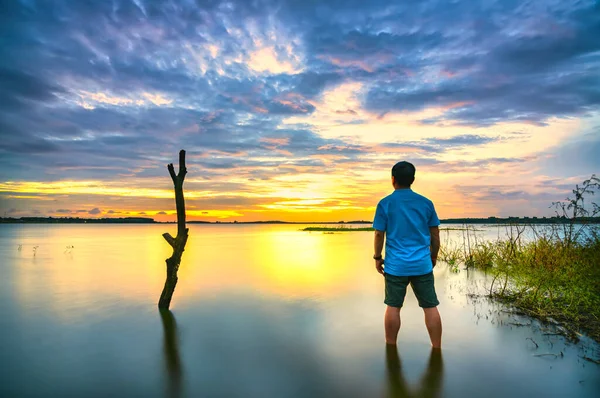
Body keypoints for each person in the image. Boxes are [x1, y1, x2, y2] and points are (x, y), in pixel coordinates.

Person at [372, 161, 442, 347]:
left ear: (393, 179)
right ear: (412, 179)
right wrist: (433, 256)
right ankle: (436, 348)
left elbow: (379, 234)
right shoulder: (426, 203)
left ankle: (391, 347)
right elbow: (435, 234)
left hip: (396, 266)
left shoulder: (385, 203)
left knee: (393, 306)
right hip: (422, 264)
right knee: (430, 307)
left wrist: (377, 258)